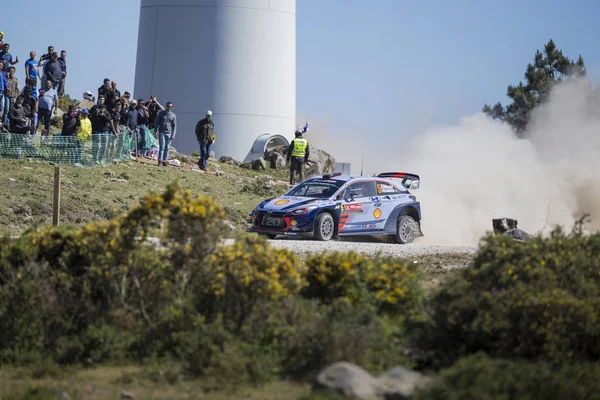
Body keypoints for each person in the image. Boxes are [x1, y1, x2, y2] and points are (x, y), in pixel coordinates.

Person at [153, 101, 176, 166]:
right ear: (166, 106)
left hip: (169, 133)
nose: (169, 107)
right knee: (162, 147)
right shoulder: (161, 113)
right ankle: (160, 160)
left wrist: (173, 134)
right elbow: (157, 123)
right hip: (161, 132)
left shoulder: (173, 115)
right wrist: (155, 131)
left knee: (167, 147)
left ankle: (165, 161)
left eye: (170, 106)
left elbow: (174, 126)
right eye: (168, 106)